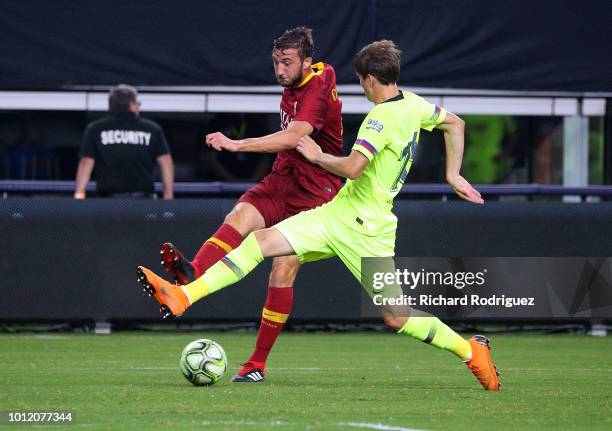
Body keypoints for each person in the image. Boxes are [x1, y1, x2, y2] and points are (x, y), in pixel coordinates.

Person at [137, 40, 500, 391]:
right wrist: (452, 175)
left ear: (369, 79)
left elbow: (353, 168)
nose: (362, 88)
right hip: (336, 215)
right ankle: (183, 296)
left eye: (361, 82)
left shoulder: (379, 119)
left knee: (397, 316)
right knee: (259, 243)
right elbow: (456, 124)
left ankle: (471, 351)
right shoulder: (415, 105)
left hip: (366, 231)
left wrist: (316, 156)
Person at [158, 27, 343, 382]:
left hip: (317, 193)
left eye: (287, 62)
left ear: (307, 60)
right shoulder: (299, 81)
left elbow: (292, 136)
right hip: (283, 179)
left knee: (283, 268)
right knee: (240, 214)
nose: (279, 70)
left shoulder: (319, 86)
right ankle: (192, 273)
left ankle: (256, 365)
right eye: (275, 61)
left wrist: (236, 145)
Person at [74, 84, 174, 199]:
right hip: (144, 202)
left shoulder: (95, 128)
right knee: (150, 217)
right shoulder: (152, 128)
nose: (139, 107)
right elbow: (166, 163)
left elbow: (86, 163)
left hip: (109, 203)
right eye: (138, 103)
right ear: (131, 104)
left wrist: (79, 195)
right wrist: (168, 196)